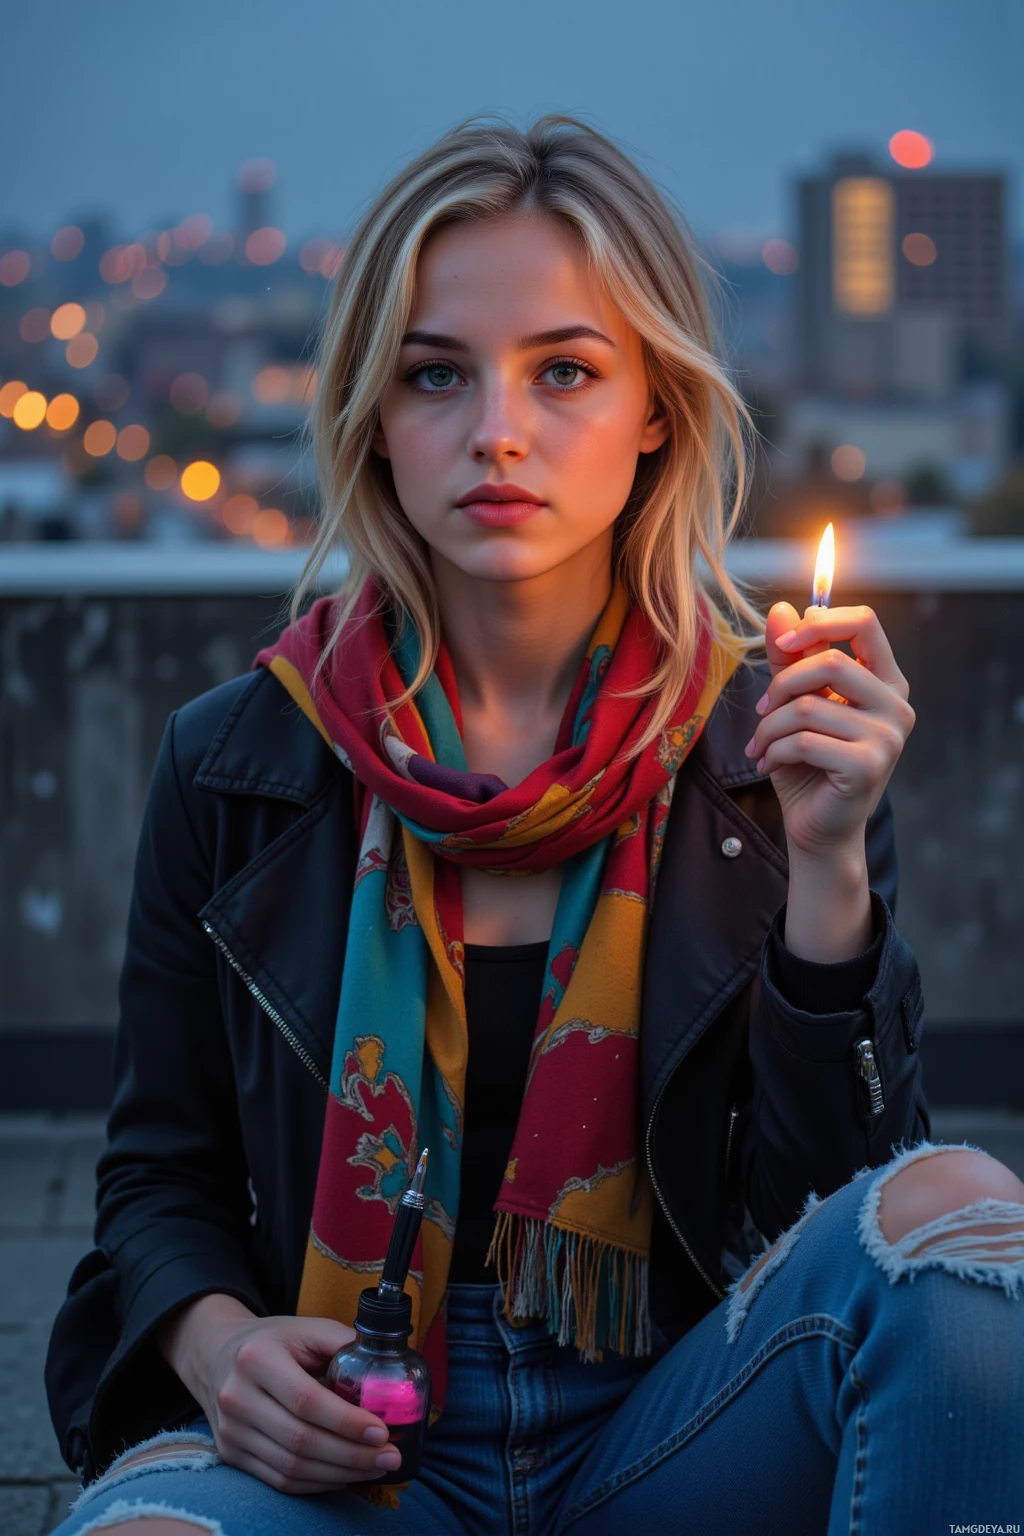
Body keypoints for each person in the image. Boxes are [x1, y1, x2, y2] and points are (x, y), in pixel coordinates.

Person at [46, 117, 1024, 1536]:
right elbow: (157, 1174)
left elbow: (832, 1211)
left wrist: (827, 869)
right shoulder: (237, 759)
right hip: (357, 1457)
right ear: (374, 415)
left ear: (656, 411)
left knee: (966, 1221)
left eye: (565, 370)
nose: (497, 428)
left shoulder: (774, 745)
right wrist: (222, 1347)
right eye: (436, 373)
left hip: (675, 1425)